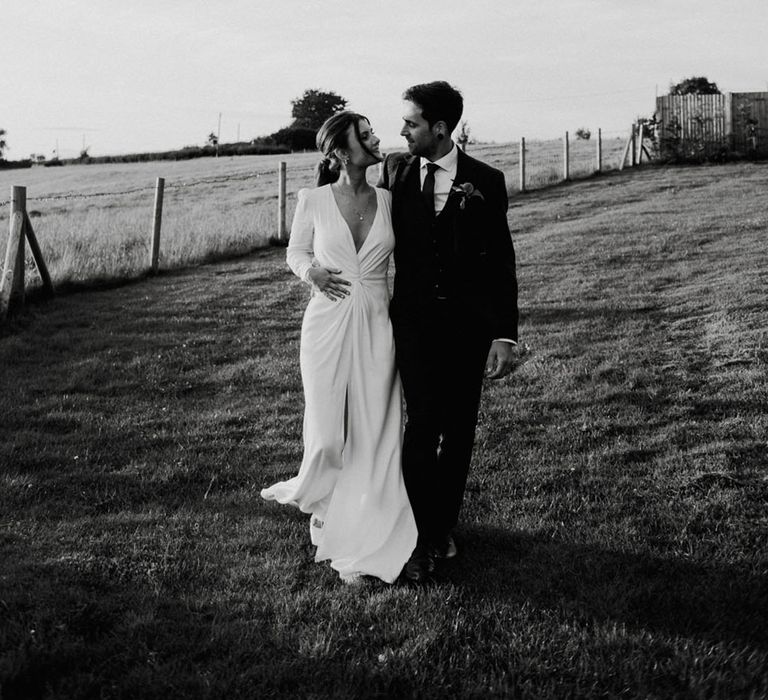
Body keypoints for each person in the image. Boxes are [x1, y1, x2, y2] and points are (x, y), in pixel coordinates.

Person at [260, 111, 418, 584]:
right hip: (327, 321)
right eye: (364, 135)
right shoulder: (313, 199)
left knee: (374, 428)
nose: (375, 139)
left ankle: (367, 521)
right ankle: (325, 502)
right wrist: (311, 274)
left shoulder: (390, 200)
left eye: (372, 133)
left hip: (375, 320)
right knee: (329, 432)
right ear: (340, 153)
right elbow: (296, 251)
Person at [378, 81, 519, 583]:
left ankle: (442, 527)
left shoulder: (486, 180)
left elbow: (501, 262)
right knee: (421, 427)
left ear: (439, 128)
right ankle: (416, 529)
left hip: (468, 328)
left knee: (458, 430)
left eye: (411, 122)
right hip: (413, 325)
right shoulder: (394, 170)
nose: (402, 131)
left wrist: (504, 334)